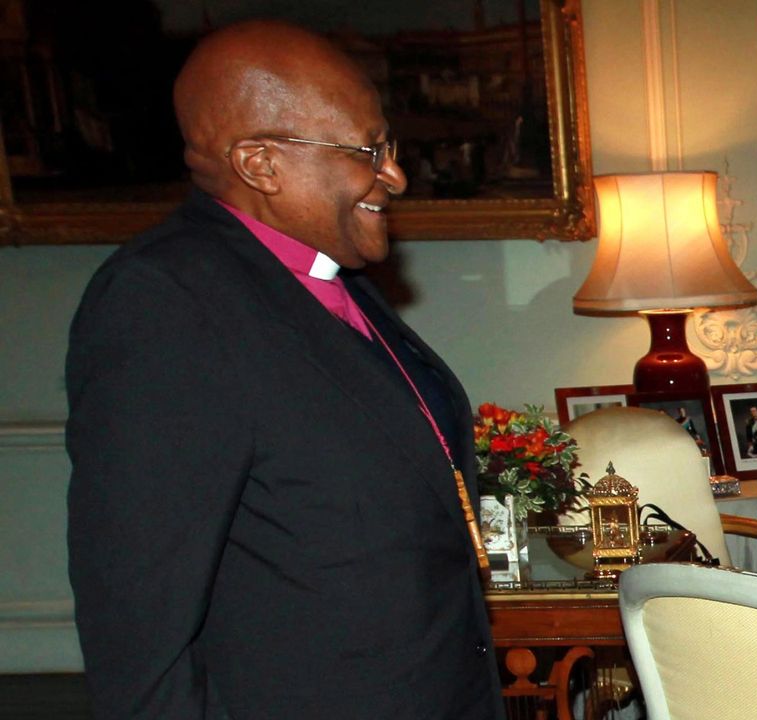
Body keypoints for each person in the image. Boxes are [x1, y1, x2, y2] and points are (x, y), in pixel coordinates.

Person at [65, 21, 502, 720]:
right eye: (369, 150)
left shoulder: (332, 278)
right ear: (260, 164)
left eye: (387, 147)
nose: (394, 175)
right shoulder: (166, 302)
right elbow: (139, 621)